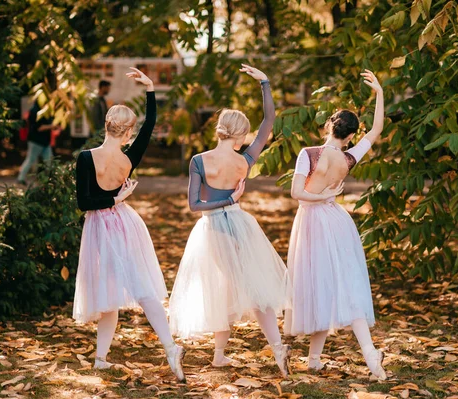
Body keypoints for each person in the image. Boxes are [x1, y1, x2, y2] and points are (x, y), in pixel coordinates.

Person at [168, 65, 292, 377]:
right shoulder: (245, 160)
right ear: (240, 134)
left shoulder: (199, 161)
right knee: (252, 287)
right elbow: (269, 121)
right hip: (240, 223)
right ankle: (248, 351)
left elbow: (195, 205)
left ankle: (259, 350)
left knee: (231, 289)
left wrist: (222, 200)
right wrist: (264, 81)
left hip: (213, 227)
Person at [72, 67, 185, 381]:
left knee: (133, 289)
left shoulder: (86, 157)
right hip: (121, 221)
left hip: (99, 227)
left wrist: (110, 201)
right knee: (127, 292)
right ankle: (101, 358)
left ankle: (170, 348)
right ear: (126, 133)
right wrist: (150, 88)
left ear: (107, 126)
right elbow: (151, 124)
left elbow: (84, 203)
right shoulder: (129, 158)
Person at [284, 70, 387, 379]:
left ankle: (363, 354)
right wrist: (380, 93)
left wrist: (320, 197)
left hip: (313, 221)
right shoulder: (349, 158)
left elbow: (296, 192)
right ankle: (321, 358)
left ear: (328, 126)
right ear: (351, 135)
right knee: (335, 284)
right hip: (337, 220)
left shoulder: (310, 153)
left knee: (322, 285)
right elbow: (378, 129)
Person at [17, 101, 58, 185]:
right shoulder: (35, 111)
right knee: (30, 160)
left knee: (50, 161)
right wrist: (52, 126)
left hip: (45, 142)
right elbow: (39, 128)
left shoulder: (44, 111)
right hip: (36, 141)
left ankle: (52, 180)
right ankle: (20, 178)